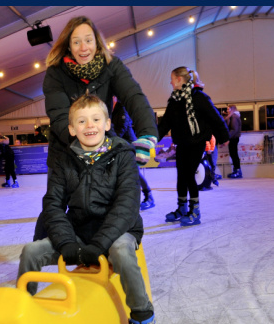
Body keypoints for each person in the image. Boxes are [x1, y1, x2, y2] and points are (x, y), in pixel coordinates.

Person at [18, 93, 160, 324]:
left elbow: (126, 205)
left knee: (121, 251)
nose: (89, 125)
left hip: (118, 229)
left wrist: (99, 245)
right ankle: (24, 318)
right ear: (72, 129)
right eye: (81, 121)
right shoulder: (63, 160)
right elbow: (53, 206)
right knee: (31, 251)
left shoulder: (122, 155)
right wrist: (68, 244)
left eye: (96, 119)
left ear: (107, 123)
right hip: (80, 230)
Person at [42, 17, 158, 176]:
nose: (83, 48)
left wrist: (147, 133)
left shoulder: (112, 65)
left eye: (88, 40)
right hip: (65, 154)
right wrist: (85, 145)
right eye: (76, 42)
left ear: (96, 42)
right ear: (68, 45)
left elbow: (133, 96)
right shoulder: (56, 72)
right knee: (65, 199)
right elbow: (59, 114)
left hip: (105, 149)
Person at [157, 68, 228, 226]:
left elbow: (215, 117)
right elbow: (165, 124)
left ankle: (195, 211)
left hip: (197, 142)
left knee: (189, 174)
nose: (170, 82)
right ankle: (181, 208)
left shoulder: (199, 98)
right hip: (182, 143)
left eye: (172, 78)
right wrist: (152, 138)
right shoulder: (174, 100)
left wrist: (224, 137)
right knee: (181, 176)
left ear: (179, 80)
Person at [112, 97, 155, 209]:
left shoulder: (122, 107)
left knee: (135, 172)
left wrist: (112, 140)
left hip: (130, 146)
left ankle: (149, 196)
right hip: (122, 146)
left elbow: (122, 126)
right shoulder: (115, 108)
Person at [225, 105, 243, 178]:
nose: (227, 110)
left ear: (232, 109)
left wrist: (227, 137)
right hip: (233, 138)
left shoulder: (234, 117)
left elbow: (234, 129)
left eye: (228, 109)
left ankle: (237, 171)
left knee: (234, 154)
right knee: (233, 154)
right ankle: (236, 170)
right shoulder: (233, 116)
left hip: (233, 138)